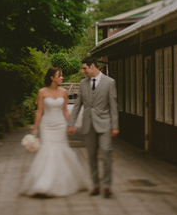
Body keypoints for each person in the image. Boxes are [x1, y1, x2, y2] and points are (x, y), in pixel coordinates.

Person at [20, 67, 90, 197]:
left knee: (60, 150)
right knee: (47, 151)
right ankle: (43, 184)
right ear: (52, 77)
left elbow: (64, 111)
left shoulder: (63, 92)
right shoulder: (42, 92)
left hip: (60, 126)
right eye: (59, 76)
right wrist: (35, 129)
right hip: (47, 126)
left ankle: (59, 182)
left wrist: (71, 124)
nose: (62, 78)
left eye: (62, 75)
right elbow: (39, 112)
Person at [67, 57, 119, 198]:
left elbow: (113, 106)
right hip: (88, 125)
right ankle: (96, 185)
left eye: (84, 68)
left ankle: (107, 186)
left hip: (105, 124)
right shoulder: (83, 83)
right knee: (91, 156)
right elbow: (78, 105)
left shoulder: (110, 82)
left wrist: (115, 126)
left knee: (106, 151)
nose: (83, 71)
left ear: (92, 66)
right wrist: (71, 124)